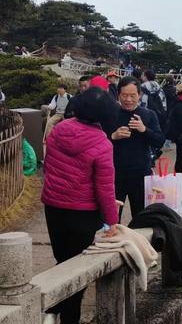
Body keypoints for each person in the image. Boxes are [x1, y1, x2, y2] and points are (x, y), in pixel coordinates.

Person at [41, 87, 119, 323]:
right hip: (82, 213)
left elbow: (49, 167)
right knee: (76, 270)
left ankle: (52, 312)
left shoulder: (59, 130)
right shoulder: (102, 143)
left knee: (62, 261)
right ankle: (64, 317)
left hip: (53, 206)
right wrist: (112, 222)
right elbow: (105, 189)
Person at [110, 76, 165, 221]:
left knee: (141, 218)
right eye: (124, 95)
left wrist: (144, 129)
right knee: (112, 219)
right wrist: (113, 136)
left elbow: (160, 141)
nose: (128, 99)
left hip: (141, 174)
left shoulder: (148, 114)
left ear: (139, 95)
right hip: (115, 174)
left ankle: (139, 243)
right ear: (118, 95)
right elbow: (98, 143)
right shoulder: (110, 114)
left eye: (132, 95)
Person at [165, 82, 182, 173]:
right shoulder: (181, 104)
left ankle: (179, 175)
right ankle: (178, 176)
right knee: (181, 158)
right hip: (181, 135)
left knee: (181, 157)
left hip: (181, 135)